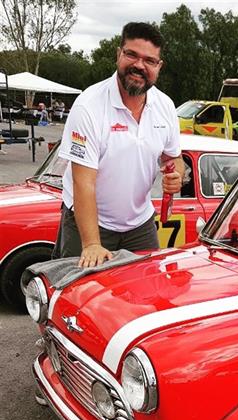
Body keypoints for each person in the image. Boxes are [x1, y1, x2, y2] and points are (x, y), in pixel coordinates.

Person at [54, 21, 183, 268]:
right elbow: (84, 182)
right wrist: (91, 244)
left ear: (159, 66)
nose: (139, 65)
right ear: (118, 54)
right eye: (131, 55)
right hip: (91, 224)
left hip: (140, 225)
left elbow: (173, 157)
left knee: (144, 293)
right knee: (78, 295)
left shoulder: (165, 106)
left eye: (149, 60)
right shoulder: (89, 106)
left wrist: (177, 174)